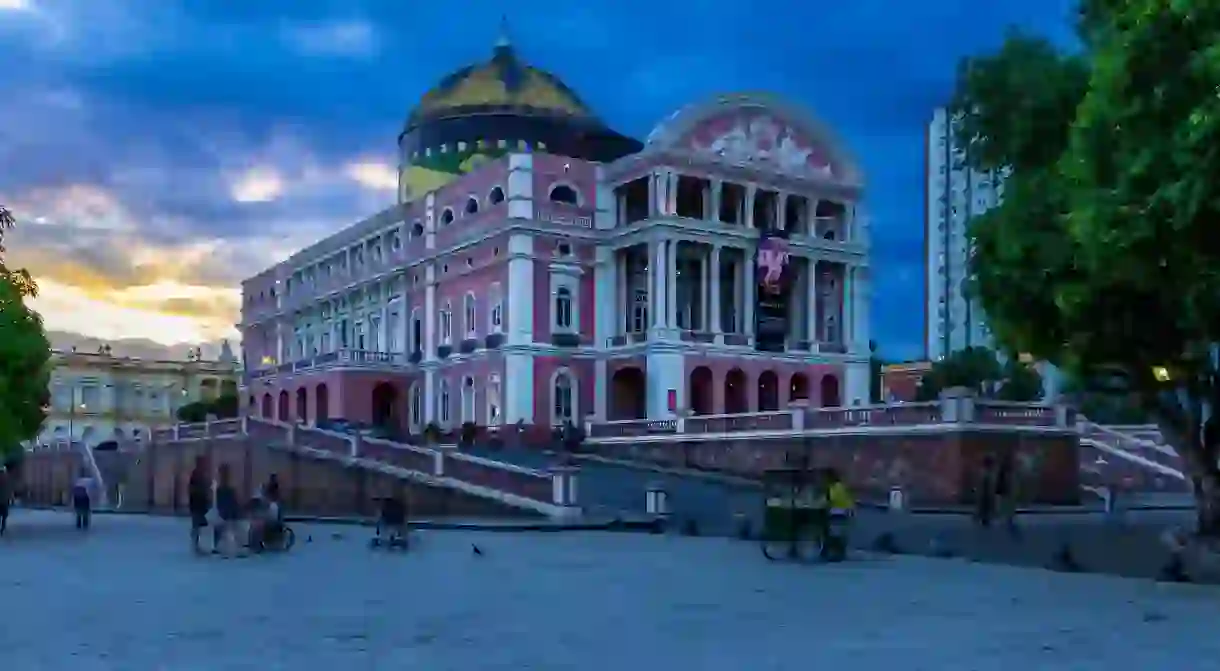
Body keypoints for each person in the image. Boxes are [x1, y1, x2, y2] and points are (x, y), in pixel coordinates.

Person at [824, 469, 855, 562]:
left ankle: (835, 554)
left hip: (836, 513)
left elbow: (831, 499)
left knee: (834, 534)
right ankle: (840, 553)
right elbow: (848, 499)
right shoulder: (841, 486)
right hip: (844, 512)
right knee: (840, 534)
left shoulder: (834, 487)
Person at [212, 464, 241, 556]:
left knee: (226, 529)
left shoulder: (227, 489)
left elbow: (234, 503)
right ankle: (219, 546)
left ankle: (228, 547)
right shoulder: (221, 489)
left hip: (228, 514)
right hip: (225, 514)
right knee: (220, 528)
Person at [187, 457, 212, 554]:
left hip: (200, 504)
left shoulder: (201, 475)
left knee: (199, 525)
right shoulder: (196, 475)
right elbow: (192, 489)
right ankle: (196, 545)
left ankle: (198, 545)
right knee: (197, 525)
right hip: (197, 504)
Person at [0, 467, 11, 536]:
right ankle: (2, 528)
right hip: (4, 500)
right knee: (4, 515)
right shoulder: (7, 479)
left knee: (3, 515)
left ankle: (2, 528)